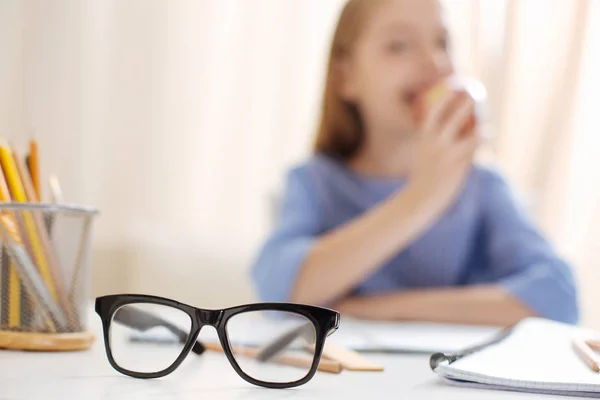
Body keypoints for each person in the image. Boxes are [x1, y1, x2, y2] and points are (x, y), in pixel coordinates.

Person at [250, 0, 578, 326]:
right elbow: (278, 291)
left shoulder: (481, 186)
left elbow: (559, 297)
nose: (433, 62)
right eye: (399, 46)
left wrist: (372, 308)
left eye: (442, 43)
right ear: (346, 76)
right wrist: (422, 198)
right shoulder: (316, 182)